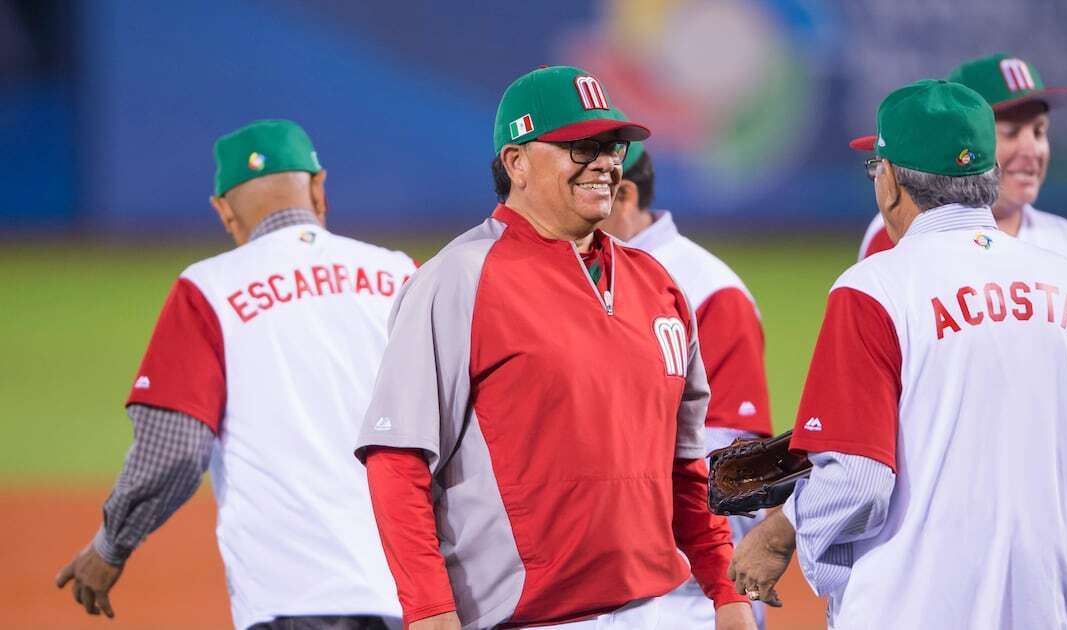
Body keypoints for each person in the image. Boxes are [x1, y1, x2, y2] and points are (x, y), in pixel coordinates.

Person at [355, 66, 755, 630]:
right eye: (578, 146)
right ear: (516, 162)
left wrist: (726, 590)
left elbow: (685, 467)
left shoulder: (657, 284)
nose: (605, 162)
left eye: (612, 146)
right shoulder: (458, 280)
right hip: (528, 617)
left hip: (663, 610)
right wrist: (429, 611)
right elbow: (397, 460)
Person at [727, 79, 1067, 628]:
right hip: (1042, 608)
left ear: (892, 182)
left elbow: (859, 481)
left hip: (906, 608)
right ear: (988, 177)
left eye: (877, 169)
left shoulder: (873, 288)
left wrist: (782, 531)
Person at [54, 120, 414, 629]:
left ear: (223, 209)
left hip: (294, 598)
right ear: (318, 187)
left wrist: (111, 546)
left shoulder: (207, 289)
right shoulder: (402, 275)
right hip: (417, 595)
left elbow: (175, 451)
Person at [855, 52, 1067, 629]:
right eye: (1008, 130)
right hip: (944, 555)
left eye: (1039, 131)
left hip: (1051, 561)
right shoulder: (895, 241)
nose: (1029, 149)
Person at [595, 138, 772, 629]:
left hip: (686, 598)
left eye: (592, 188)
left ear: (625, 196)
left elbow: (736, 464)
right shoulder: (575, 276)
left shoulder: (709, 289)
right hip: (591, 588)